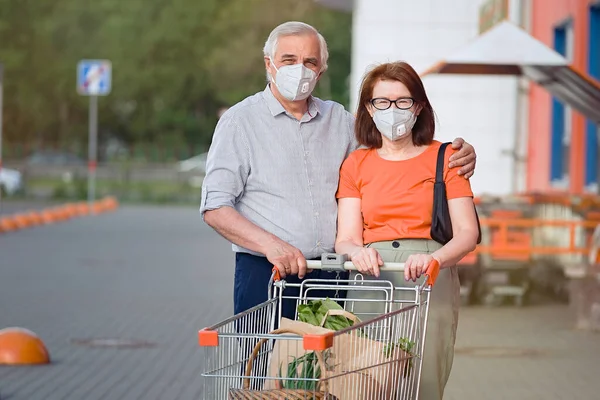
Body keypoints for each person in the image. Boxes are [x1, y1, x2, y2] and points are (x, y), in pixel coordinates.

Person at [200, 21, 478, 321]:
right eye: (289, 60)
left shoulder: (339, 120)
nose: (300, 69)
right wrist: (272, 245)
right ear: (270, 64)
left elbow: (393, 155)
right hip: (268, 270)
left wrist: (460, 155)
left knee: (330, 365)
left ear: (321, 70)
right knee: (264, 363)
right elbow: (215, 206)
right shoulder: (240, 123)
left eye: (310, 61)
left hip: (333, 273)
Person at [334, 61, 480, 400]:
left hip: (430, 270)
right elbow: (346, 237)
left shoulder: (447, 157)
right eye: (382, 102)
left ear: (418, 106)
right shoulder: (356, 164)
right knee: (365, 380)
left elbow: (466, 232)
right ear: (369, 109)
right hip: (372, 274)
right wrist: (357, 252)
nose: (393, 110)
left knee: (424, 380)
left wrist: (436, 260)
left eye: (403, 101)